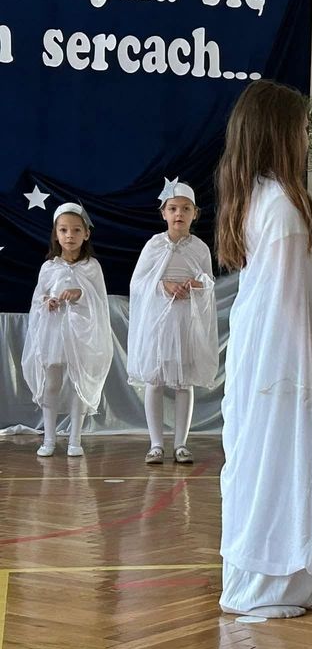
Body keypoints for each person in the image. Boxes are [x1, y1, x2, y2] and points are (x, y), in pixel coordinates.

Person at [215, 80, 312, 618]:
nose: (306, 139)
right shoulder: (280, 207)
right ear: (280, 135)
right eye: (300, 129)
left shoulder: (266, 197)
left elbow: (295, 275)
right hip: (284, 355)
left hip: (266, 349)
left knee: (267, 461)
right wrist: (311, 370)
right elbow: (290, 299)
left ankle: (275, 577)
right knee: (279, 461)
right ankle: (268, 583)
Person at [127, 180, 218, 465]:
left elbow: (208, 282)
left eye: (186, 209)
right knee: (154, 381)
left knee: (183, 383)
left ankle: (181, 444)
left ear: (195, 214)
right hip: (159, 324)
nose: (179, 213)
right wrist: (163, 285)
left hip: (186, 324)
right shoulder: (154, 245)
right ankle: (156, 444)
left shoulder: (200, 248)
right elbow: (138, 283)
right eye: (173, 208)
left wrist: (197, 285)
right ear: (164, 213)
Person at [23, 203, 113, 458]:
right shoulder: (49, 267)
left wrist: (80, 294)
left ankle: (75, 439)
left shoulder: (92, 267)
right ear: (56, 234)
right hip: (54, 334)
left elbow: (99, 301)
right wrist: (47, 302)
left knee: (77, 384)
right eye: (63, 230)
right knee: (51, 383)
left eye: (76, 230)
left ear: (86, 234)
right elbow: (37, 298)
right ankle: (49, 438)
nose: (69, 235)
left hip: (81, 336)